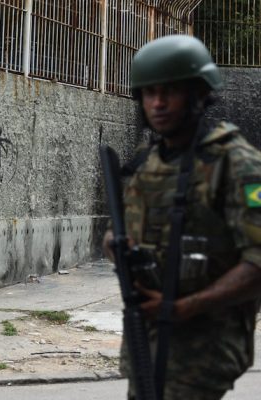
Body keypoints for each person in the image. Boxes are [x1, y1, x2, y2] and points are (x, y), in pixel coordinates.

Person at [103, 35, 261, 399]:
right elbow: (118, 231)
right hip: (148, 341)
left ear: (198, 94)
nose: (158, 103)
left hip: (201, 351)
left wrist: (181, 307)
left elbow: (258, 261)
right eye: (149, 93)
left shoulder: (235, 163)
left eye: (170, 91)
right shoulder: (149, 161)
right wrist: (116, 246)